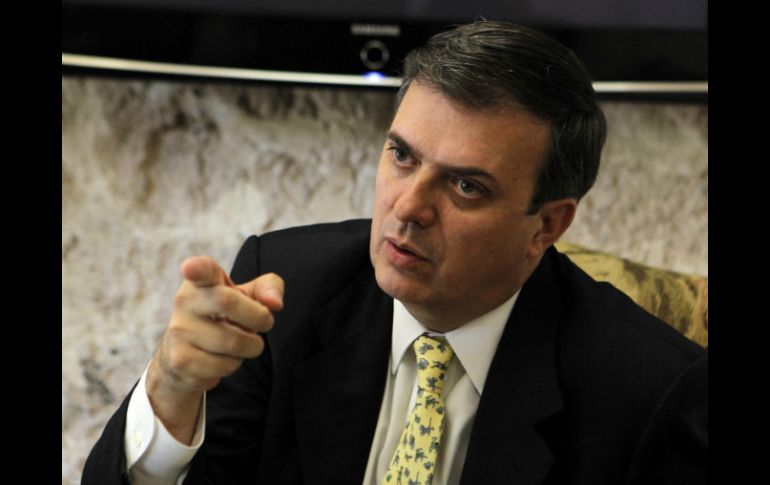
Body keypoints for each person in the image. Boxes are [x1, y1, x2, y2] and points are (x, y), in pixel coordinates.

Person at [82, 20, 707, 485]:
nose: (408, 208)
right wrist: (170, 387)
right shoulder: (283, 293)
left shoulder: (648, 391)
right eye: (402, 155)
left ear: (546, 224)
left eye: (466, 186)